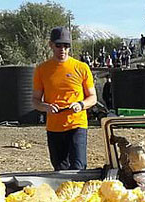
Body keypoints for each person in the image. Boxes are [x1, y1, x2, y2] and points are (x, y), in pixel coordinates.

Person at [32, 27, 97, 170]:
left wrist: (81, 104)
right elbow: (35, 100)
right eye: (58, 45)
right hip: (54, 127)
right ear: (51, 45)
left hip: (77, 124)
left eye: (66, 46)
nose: (63, 49)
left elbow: (93, 98)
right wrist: (46, 107)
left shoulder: (81, 67)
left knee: (78, 168)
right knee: (60, 170)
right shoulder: (42, 69)